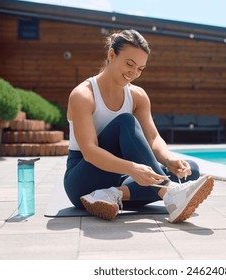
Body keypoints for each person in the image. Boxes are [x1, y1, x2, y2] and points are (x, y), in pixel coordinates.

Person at [64, 29, 214, 223]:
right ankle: (170, 194)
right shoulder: (83, 95)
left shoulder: (138, 96)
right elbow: (90, 152)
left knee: (189, 171)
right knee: (125, 122)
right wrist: (133, 168)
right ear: (111, 54)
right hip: (82, 180)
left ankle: (111, 195)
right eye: (129, 64)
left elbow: (153, 138)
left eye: (140, 69)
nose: (134, 73)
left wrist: (169, 160)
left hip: (119, 176)